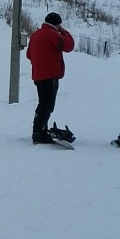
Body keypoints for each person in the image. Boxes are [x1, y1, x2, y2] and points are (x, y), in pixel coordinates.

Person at [26, 12, 75, 144]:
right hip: (50, 74)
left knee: (42, 103)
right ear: (56, 24)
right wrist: (64, 32)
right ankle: (38, 132)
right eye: (60, 24)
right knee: (47, 105)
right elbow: (68, 46)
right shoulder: (52, 34)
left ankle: (40, 129)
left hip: (38, 74)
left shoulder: (35, 34)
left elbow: (29, 54)